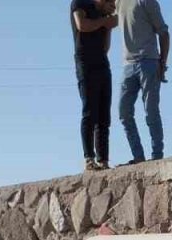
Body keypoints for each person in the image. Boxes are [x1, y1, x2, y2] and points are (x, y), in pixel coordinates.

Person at [117, 0, 171, 164]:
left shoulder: (147, 1)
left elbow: (164, 33)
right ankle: (138, 157)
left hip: (149, 62)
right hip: (128, 65)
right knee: (124, 112)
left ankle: (157, 156)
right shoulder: (118, 2)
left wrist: (162, 62)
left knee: (151, 110)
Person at [71, 0, 117, 172]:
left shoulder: (104, 15)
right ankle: (89, 159)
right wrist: (104, 22)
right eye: (111, 2)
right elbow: (82, 25)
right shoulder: (80, 3)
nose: (113, 5)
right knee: (90, 111)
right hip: (85, 63)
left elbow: (105, 47)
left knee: (104, 115)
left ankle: (103, 160)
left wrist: (109, 27)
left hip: (102, 64)